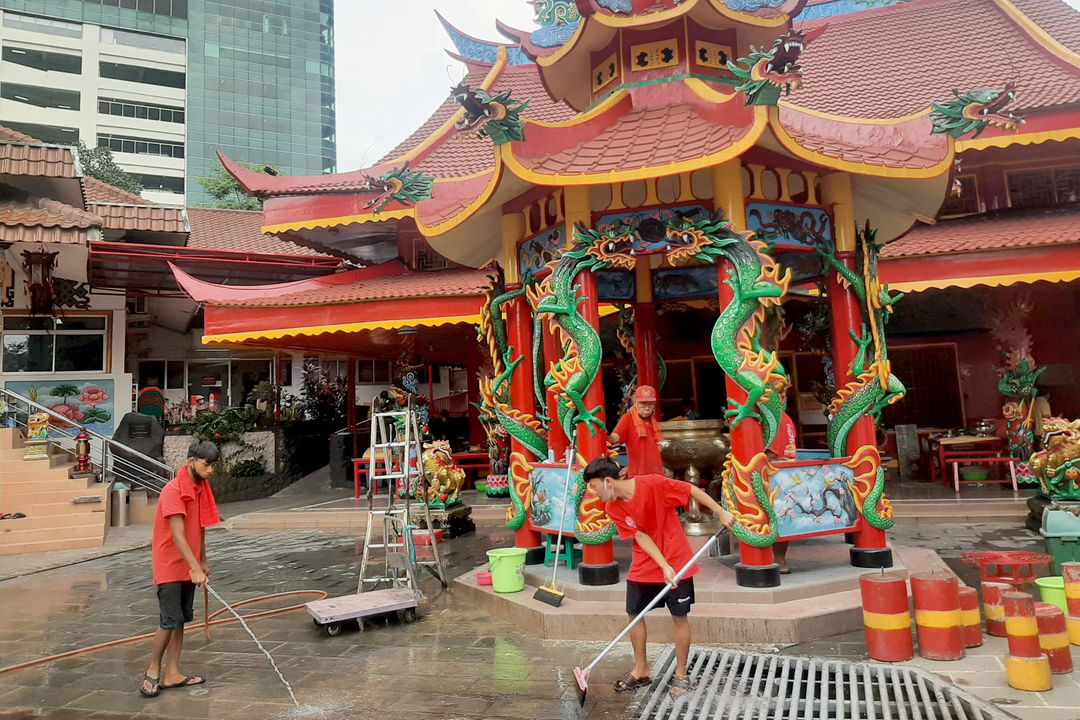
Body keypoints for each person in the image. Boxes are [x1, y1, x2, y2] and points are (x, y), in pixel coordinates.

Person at [583, 457, 735, 697]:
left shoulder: (652, 484)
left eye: (594, 487)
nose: (593, 493)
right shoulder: (612, 507)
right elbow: (640, 536)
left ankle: (681, 675)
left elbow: (690, 489)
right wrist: (662, 566)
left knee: (679, 617)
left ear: (608, 481)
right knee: (634, 615)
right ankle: (641, 670)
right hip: (647, 562)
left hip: (677, 558)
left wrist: (720, 512)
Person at [140, 440, 222, 698]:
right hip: (169, 565)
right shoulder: (173, 491)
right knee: (169, 620)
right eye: (207, 465)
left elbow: (200, 527)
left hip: (189, 565)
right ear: (191, 463)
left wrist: (203, 561)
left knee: (180, 621)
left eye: (213, 466)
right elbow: (177, 536)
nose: (211, 471)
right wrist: (194, 567)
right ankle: (153, 669)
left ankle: (173, 673)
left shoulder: (201, 489)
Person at [609, 385, 665, 477]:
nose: (647, 407)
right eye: (643, 404)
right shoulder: (628, 419)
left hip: (657, 474)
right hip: (638, 475)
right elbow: (615, 438)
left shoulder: (653, 421)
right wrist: (604, 435)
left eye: (650, 404)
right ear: (636, 402)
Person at [767, 412, 798, 574]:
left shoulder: (774, 417)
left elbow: (773, 452)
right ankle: (780, 559)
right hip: (787, 471)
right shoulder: (785, 417)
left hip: (776, 473)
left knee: (775, 518)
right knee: (783, 518)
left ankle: (777, 559)